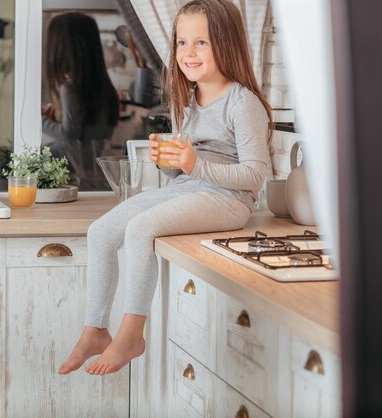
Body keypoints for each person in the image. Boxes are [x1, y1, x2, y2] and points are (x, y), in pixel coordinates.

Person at [59, 0, 273, 376]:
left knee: (141, 228)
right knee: (101, 231)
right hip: (189, 189)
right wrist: (168, 162)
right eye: (181, 43)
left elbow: (255, 176)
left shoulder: (244, 103)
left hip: (228, 200)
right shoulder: (187, 101)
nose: (188, 53)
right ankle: (95, 329)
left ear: (228, 43)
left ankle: (131, 335)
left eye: (201, 43)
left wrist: (194, 164)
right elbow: (182, 174)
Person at [42, 12, 120, 189]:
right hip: (92, 162)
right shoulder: (102, 85)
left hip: (74, 160)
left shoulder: (70, 87)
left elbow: (69, 135)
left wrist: (39, 120)